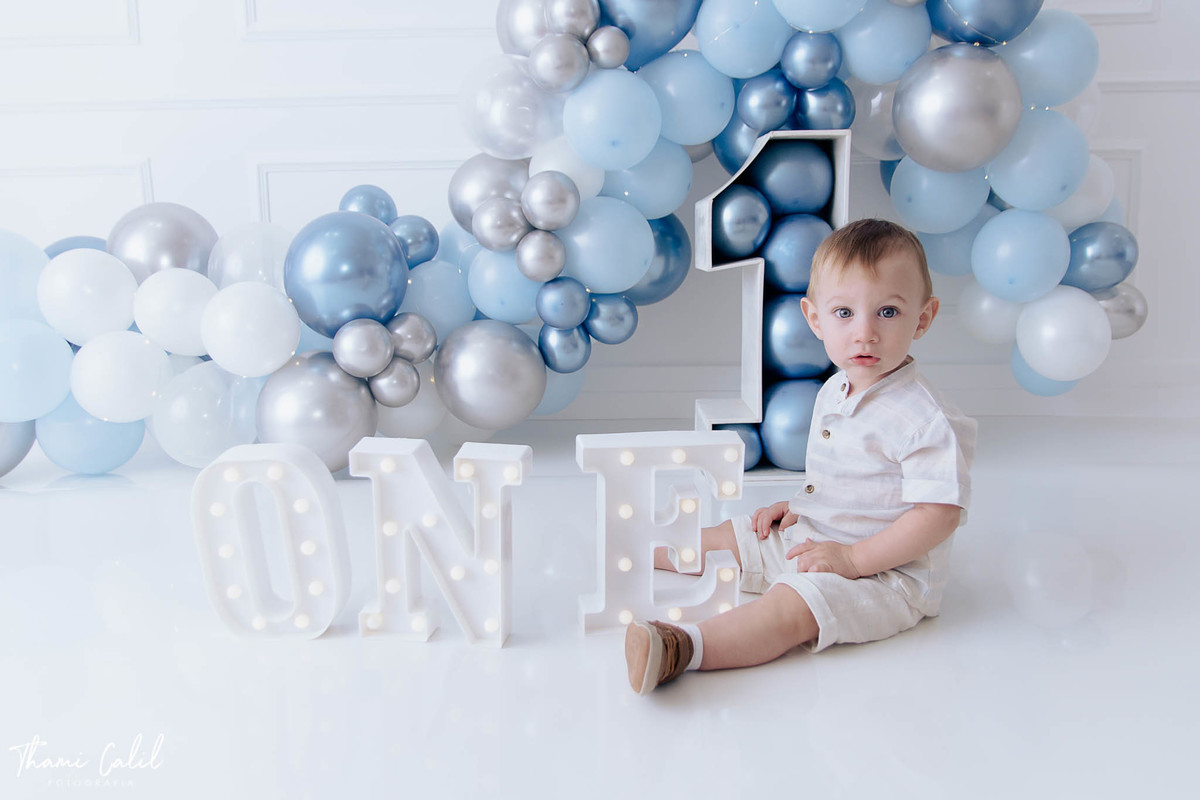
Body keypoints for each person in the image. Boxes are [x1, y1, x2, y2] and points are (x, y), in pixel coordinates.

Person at [625, 218, 978, 694]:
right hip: (817, 538)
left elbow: (938, 515)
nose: (865, 333)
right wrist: (801, 505)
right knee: (736, 534)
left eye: (888, 312)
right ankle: (634, 552)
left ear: (923, 317)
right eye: (844, 313)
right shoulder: (835, 388)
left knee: (792, 605)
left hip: (883, 575)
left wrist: (853, 560)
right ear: (815, 319)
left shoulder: (925, 418)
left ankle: (680, 647)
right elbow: (851, 478)